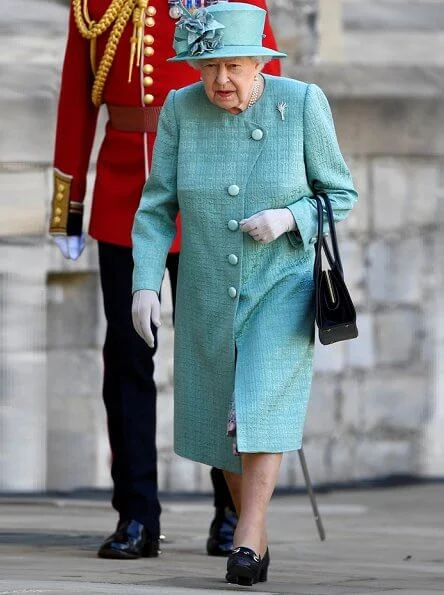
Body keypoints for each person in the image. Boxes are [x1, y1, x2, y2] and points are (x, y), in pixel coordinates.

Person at [131, 1, 357, 584]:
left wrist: (289, 218)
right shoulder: (181, 109)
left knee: (256, 402)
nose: (220, 81)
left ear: (260, 63)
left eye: (233, 66)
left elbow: (341, 194)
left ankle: (249, 537)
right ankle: (252, 526)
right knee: (221, 420)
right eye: (207, 67)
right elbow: (157, 209)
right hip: (207, 289)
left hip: (281, 284)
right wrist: (145, 284)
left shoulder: (303, 103)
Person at [49, 0, 280, 560]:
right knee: (126, 358)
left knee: (222, 357)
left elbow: (263, 90)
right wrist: (69, 201)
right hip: (126, 197)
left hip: (214, 200)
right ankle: (135, 515)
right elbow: (76, 102)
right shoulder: (96, 6)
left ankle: (231, 513)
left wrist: (270, 196)